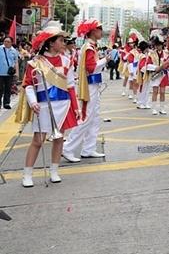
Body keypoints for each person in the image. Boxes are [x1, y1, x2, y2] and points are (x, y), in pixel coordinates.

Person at [14, 21, 82, 187]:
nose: (64, 43)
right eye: (61, 40)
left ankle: (54, 171)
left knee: (59, 139)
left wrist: (76, 107)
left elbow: (70, 86)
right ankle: (27, 174)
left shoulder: (66, 61)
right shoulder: (36, 62)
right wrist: (33, 102)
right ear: (51, 42)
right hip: (43, 105)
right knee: (38, 140)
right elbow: (28, 85)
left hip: (63, 104)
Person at [63, 19, 107, 162]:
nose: (101, 32)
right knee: (86, 118)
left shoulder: (91, 46)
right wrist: (105, 60)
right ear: (93, 31)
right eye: (100, 29)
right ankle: (67, 148)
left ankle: (89, 149)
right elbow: (91, 68)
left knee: (94, 118)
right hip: (89, 87)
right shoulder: (88, 47)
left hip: (93, 85)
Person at [0, 36, 18, 109]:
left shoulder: (14, 51)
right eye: (5, 41)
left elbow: (16, 62)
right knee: (0, 89)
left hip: (9, 73)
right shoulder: (0, 48)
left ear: (11, 43)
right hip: (0, 72)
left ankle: (6, 103)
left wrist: (17, 73)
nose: (6, 43)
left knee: (8, 88)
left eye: (8, 42)